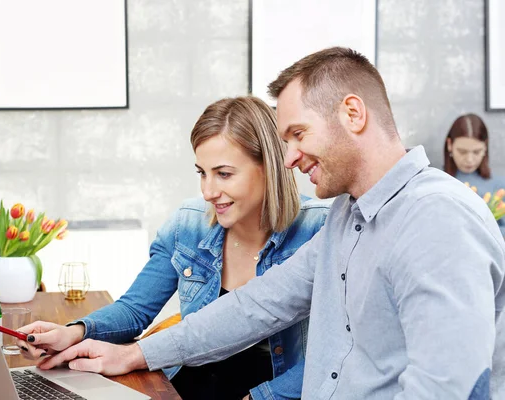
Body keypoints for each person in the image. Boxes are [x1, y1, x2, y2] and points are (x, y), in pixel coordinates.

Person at [33, 47, 505, 400]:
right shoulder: (349, 215)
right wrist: (132, 355)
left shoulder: (437, 218)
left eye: (298, 134)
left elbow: (448, 387)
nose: (291, 157)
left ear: (353, 114)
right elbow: (257, 306)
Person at [19, 96, 329, 400]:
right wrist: (73, 333)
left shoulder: (320, 231)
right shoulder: (189, 224)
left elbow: (332, 357)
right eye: (201, 173)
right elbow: (136, 309)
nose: (208, 191)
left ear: (269, 168)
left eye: (223, 174)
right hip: (180, 386)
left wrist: (263, 397)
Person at [444, 113, 505, 236]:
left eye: (477, 152)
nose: (469, 159)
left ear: (485, 147)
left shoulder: (499, 185)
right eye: (462, 152)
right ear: (450, 145)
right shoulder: (437, 182)